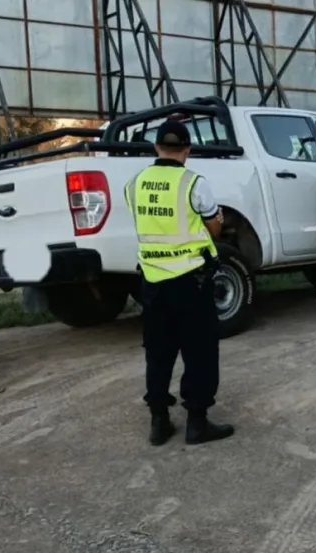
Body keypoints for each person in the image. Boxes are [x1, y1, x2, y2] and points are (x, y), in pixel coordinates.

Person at [124, 120, 235, 447]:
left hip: (152, 281)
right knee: (200, 352)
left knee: (158, 352)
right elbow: (214, 228)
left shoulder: (134, 184)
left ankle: (159, 422)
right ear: (187, 149)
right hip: (192, 281)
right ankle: (197, 423)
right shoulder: (193, 183)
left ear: (156, 147)